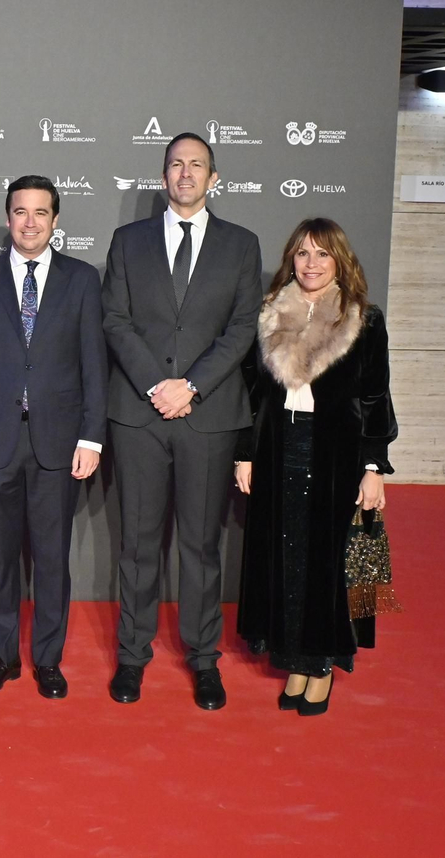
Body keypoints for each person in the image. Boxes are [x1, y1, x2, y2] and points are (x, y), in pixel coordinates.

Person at [102, 132, 262, 711]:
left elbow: (243, 329)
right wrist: (157, 386)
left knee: (201, 545)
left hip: (209, 415)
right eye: (176, 165)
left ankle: (203, 659)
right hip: (140, 417)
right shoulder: (128, 241)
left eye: (197, 165)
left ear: (213, 178)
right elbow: (115, 321)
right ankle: (132, 657)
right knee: (138, 547)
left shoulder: (241, 246)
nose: (186, 174)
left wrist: (190, 386)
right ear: (163, 176)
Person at [0, 175, 105, 699]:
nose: (30, 221)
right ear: (8, 217)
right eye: (20, 211)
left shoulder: (82, 280)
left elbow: (93, 366)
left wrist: (91, 438)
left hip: (58, 443)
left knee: (53, 559)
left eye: (41, 212)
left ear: (56, 221)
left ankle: (49, 660)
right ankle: (2, 657)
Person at [235, 218, 397, 716]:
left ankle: (323, 663)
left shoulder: (363, 319)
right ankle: (295, 658)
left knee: (335, 559)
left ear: (340, 262)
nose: (311, 264)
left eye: (323, 255)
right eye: (303, 253)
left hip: (339, 454)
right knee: (287, 553)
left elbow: (375, 397)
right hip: (280, 445)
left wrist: (374, 467)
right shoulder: (267, 315)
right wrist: (245, 453)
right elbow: (251, 394)